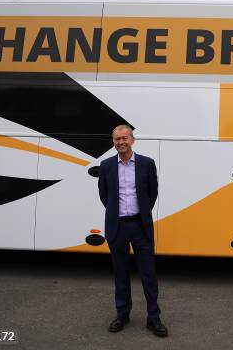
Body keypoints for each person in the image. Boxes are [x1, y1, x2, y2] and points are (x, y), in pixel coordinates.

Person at [97, 124, 168, 337]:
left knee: (148, 274)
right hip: (117, 227)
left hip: (140, 226)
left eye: (125, 138)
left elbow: (152, 193)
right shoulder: (107, 165)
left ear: (132, 140)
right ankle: (122, 314)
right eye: (117, 139)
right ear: (113, 142)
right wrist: (116, 214)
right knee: (120, 273)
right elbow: (104, 196)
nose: (121, 142)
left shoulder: (147, 164)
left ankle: (153, 318)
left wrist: (141, 213)